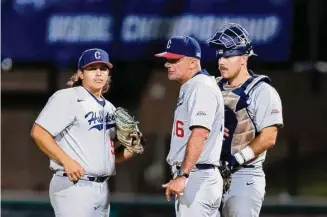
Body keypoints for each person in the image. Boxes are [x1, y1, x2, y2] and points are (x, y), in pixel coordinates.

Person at [30, 48, 140, 217]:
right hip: (74, 186)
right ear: (81, 74)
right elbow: (39, 132)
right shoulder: (68, 97)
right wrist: (66, 160)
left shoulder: (110, 108)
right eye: (92, 68)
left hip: (102, 188)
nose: (98, 73)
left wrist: (134, 145)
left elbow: (111, 157)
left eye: (103, 69)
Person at [207, 23, 284, 217]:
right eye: (220, 55)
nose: (221, 61)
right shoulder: (211, 87)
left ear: (244, 57)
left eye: (228, 55)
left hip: (244, 174)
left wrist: (235, 161)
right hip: (210, 173)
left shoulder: (262, 91)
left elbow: (269, 137)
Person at [155, 36, 225, 217]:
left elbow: (199, 133)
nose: (168, 65)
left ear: (193, 63)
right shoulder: (193, 85)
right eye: (167, 60)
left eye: (174, 60)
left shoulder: (200, 87)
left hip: (196, 176)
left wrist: (183, 175)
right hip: (201, 175)